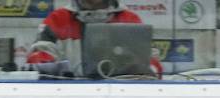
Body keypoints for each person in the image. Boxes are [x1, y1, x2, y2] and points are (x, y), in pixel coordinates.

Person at [25, 0, 162, 77]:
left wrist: (146, 73)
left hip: (120, 97)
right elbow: (39, 59)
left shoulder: (130, 20)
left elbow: (152, 64)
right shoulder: (57, 19)